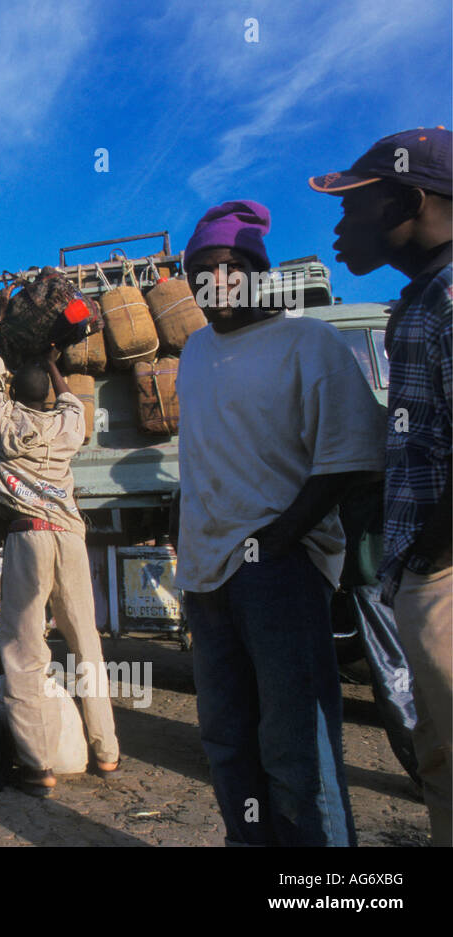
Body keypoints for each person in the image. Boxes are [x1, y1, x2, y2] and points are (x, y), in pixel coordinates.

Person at [176, 200, 385, 846]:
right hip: (205, 575)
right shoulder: (192, 352)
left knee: (297, 749)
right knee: (227, 741)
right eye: (202, 269)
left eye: (233, 265)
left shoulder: (308, 341)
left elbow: (348, 459)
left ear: (257, 272)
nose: (218, 278)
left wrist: (278, 539)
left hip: (280, 570)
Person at [311, 127, 452, 845]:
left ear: (410, 199)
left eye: (353, 206)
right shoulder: (424, 299)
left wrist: (430, 560)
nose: (339, 226)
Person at [0, 330, 121, 797]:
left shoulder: (1, 421)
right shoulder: (68, 428)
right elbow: (72, 400)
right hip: (71, 538)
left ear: (14, 393)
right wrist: (53, 361)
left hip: (29, 538)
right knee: (86, 645)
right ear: (49, 396)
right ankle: (107, 752)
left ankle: (39, 767)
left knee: (24, 652)